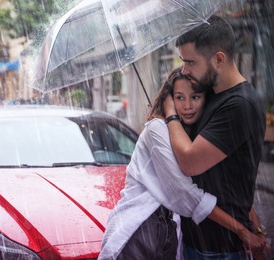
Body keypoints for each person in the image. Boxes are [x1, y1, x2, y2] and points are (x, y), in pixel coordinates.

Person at [98, 67, 266, 260]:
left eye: (195, 97)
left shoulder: (194, 137)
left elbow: (226, 187)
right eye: (179, 97)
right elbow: (183, 194)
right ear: (168, 99)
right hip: (139, 228)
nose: (187, 106)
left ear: (206, 99)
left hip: (171, 235)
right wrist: (242, 231)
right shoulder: (157, 129)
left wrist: (256, 228)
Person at [164, 15, 270, 259]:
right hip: (198, 242)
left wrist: (170, 114)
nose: (184, 70)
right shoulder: (212, 94)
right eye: (183, 62)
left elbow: (190, 162)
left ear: (218, 59)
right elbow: (227, 178)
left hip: (218, 250)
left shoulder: (239, 105)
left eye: (190, 62)